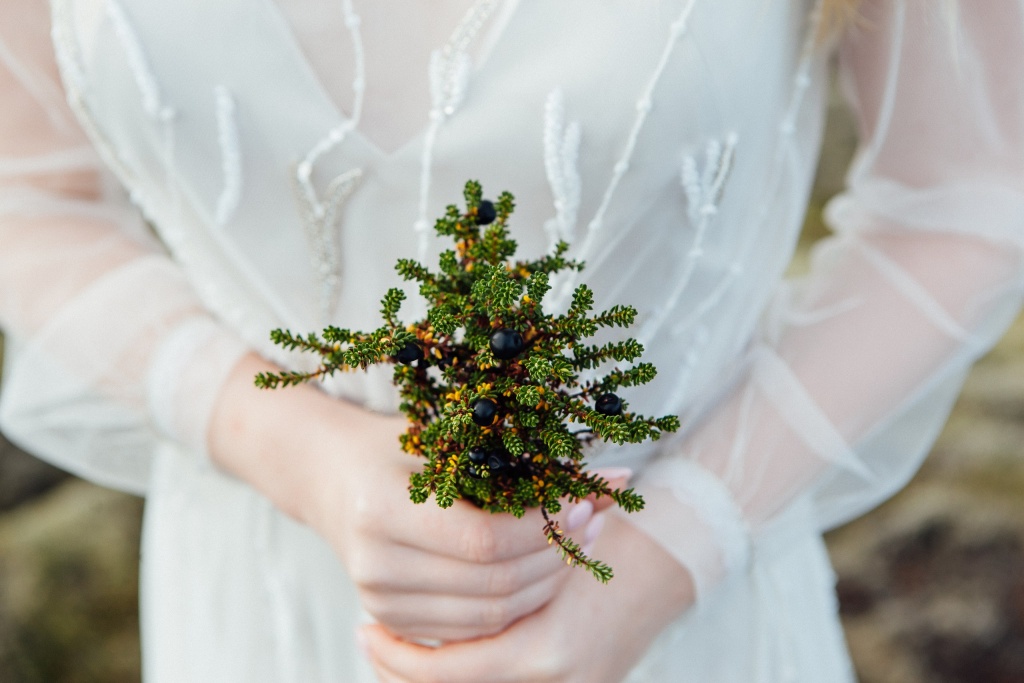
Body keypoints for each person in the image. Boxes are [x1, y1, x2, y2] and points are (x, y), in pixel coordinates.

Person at [1, 0, 1022, 680]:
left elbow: (969, 196)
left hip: (655, 605)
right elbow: (27, 193)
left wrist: (672, 548)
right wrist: (289, 447)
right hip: (258, 604)